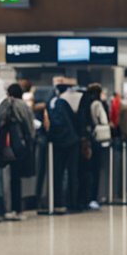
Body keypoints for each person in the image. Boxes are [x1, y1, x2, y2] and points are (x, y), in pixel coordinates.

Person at [0, 83, 35, 220]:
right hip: (18, 146)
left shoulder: (3, 104)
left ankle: (1, 209)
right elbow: (30, 127)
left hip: (3, 145)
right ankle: (16, 209)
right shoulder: (23, 106)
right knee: (16, 177)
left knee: (0, 177)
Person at [46, 79, 81, 214]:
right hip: (72, 141)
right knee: (73, 173)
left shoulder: (53, 103)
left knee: (58, 174)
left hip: (59, 142)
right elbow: (74, 120)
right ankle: (73, 202)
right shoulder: (64, 102)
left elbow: (52, 123)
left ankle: (58, 202)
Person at [78, 83, 111, 210]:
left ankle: (84, 198)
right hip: (96, 140)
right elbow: (103, 120)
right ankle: (93, 198)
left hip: (86, 140)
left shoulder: (84, 102)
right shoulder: (97, 104)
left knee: (86, 170)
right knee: (95, 170)